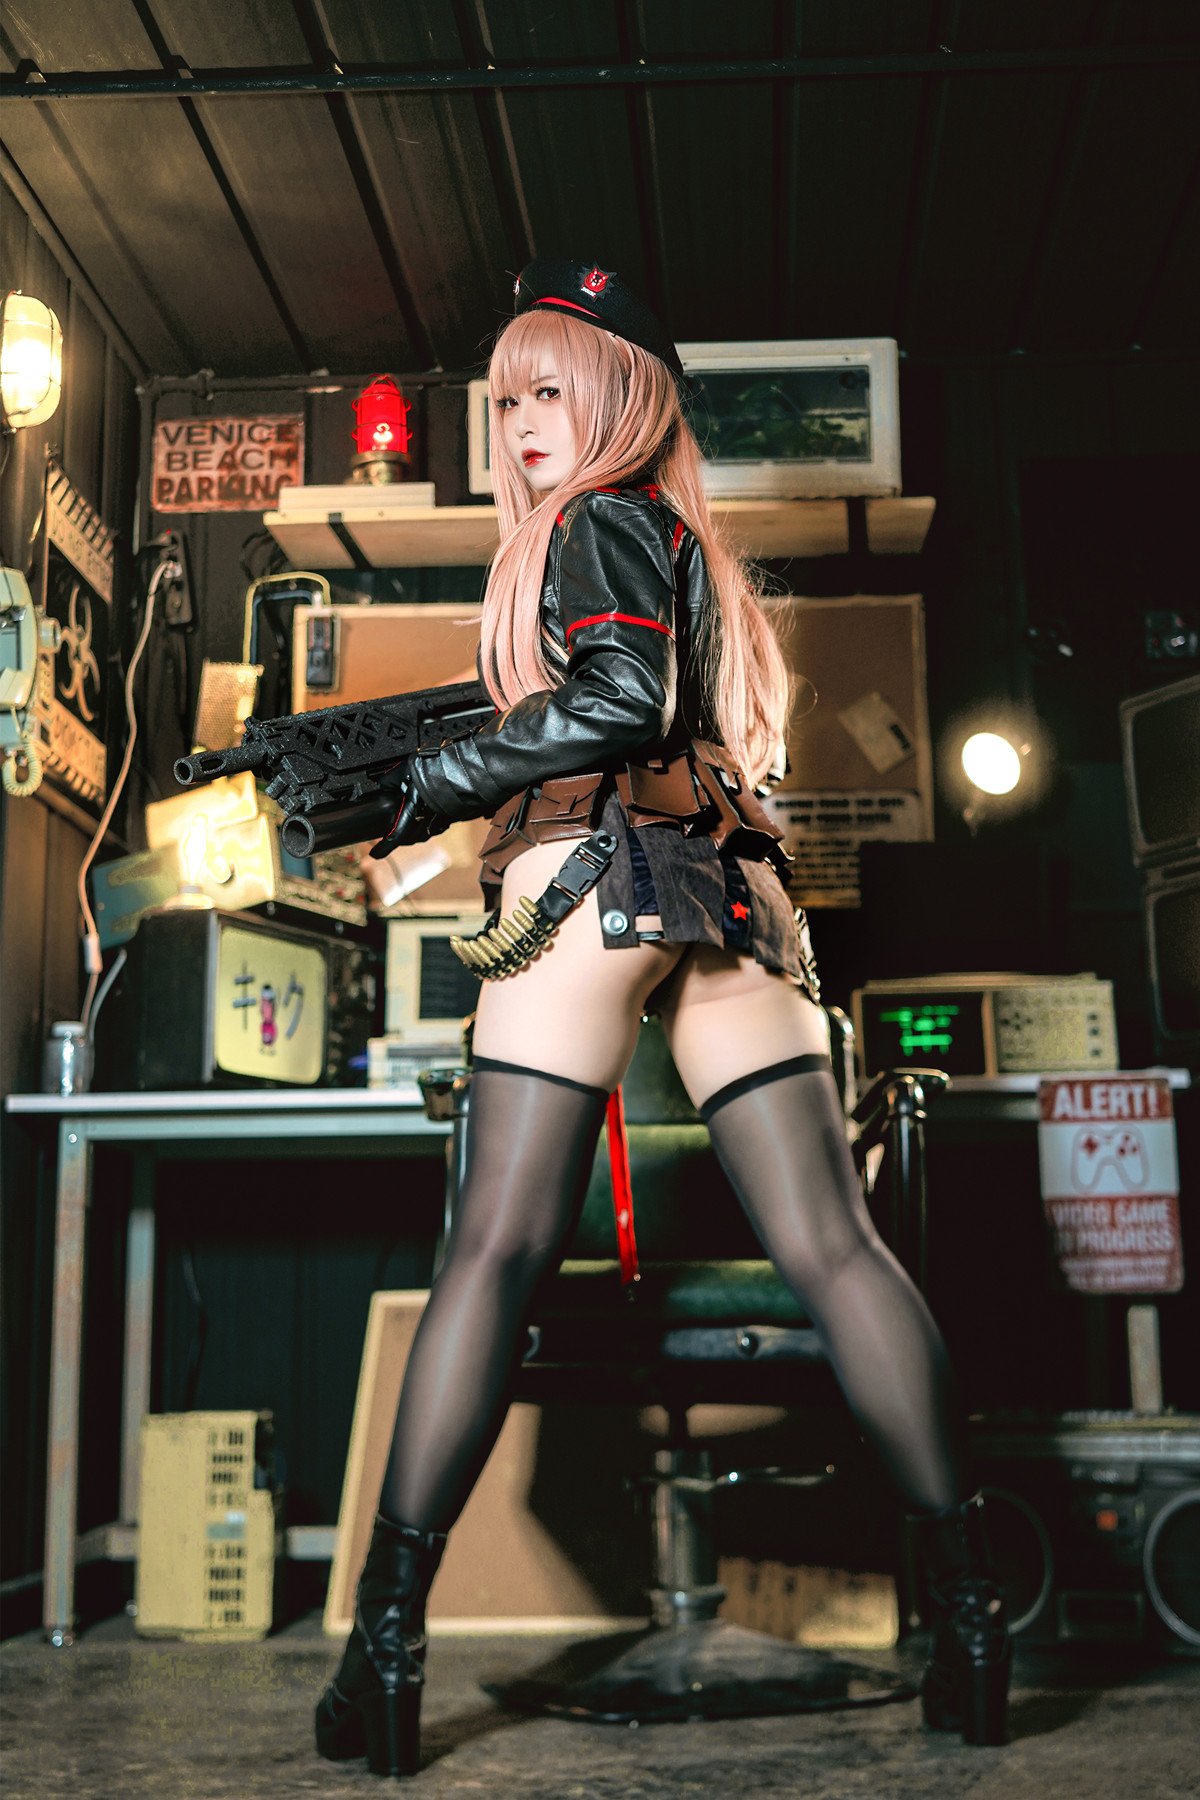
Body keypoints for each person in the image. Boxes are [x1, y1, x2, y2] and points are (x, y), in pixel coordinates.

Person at [315, 260, 1009, 1778]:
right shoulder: (686, 546)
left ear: (623, 396)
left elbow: (621, 700)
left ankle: (386, 1651)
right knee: (838, 1250)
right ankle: (974, 1622)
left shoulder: (592, 525)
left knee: (492, 1252)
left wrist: (443, 781)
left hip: (589, 878)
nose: (518, 424)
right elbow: (664, 711)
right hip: (732, 886)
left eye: (548, 391)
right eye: (504, 399)